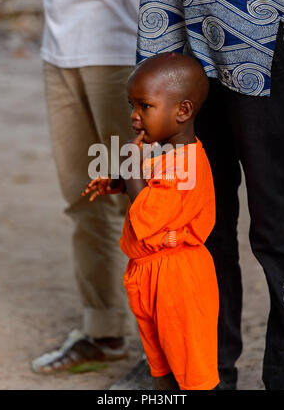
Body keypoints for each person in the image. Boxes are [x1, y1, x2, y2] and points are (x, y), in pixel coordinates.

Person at [137, 0, 284, 390]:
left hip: (272, 49)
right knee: (199, 231)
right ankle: (204, 377)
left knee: (281, 230)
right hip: (184, 53)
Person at [32, 0, 144, 373]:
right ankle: (104, 332)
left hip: (118, 52)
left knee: (142, 204)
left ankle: (168, 351)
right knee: (86, 200)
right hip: (58, 52)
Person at [84, 52, 220, 390]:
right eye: (132, 105)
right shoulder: (168, 155)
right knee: (160, 363)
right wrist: (119, 181)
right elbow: (153, 188)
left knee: (191, 369)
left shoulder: (187, 165)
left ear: (182, 111)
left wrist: (130, 165)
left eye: (145, 106)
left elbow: (146, 214)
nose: (134, 117)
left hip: (177, 278)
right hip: (147, 271)